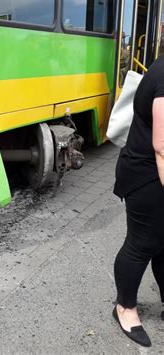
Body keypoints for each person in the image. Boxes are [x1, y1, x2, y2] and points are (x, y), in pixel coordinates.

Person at [113, 57, 164, 347]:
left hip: (151, 173)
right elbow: (162, 146)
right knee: (142, 244)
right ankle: (125, 308)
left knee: (163, 244)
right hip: (146, 177)